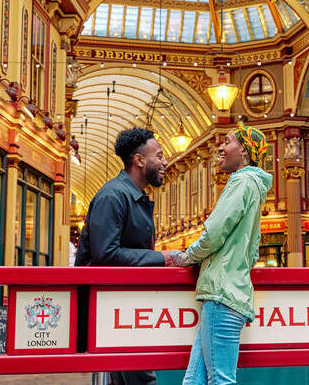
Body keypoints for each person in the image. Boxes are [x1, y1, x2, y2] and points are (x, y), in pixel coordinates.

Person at [168, 123, 273, 385]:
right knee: (193, 380)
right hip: (229, 294)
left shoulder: (241, 182)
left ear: (245, 152)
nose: (221, 148)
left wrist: (185, 257)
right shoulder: (255, 189)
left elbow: (214, 233)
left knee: (221, 380)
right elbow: (252, 253)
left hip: (221, 294)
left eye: (227, 142)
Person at [75, 127, 174, 385]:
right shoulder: (113, 196)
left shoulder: (131, 195)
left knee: (128, 376)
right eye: (159, 156)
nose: (165, 162)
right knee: (140, 378)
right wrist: (161, 258)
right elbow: (105, 254)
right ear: (139, 160)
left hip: (123, 307)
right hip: (112, 309)